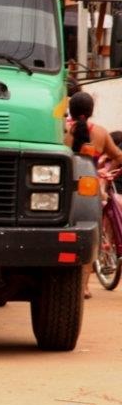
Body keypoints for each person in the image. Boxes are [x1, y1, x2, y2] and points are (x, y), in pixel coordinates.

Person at [64, 91, 122, 298]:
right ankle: (85, 286)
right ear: (90, 112)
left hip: (67, 192)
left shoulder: (64, 132)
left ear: (70, 111)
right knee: (91, 237)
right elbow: (118, 156)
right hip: (91, 193)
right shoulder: (101, 133)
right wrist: (105, 168)